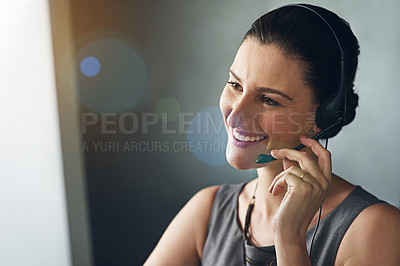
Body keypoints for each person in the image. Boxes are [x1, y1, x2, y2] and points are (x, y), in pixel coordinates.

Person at [144, 4, 400, 266]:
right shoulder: (208, 210)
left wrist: (289, 239)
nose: (235, 116)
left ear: (325, 116)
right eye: (235, 85)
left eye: (268, 100)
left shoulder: (376, 229)